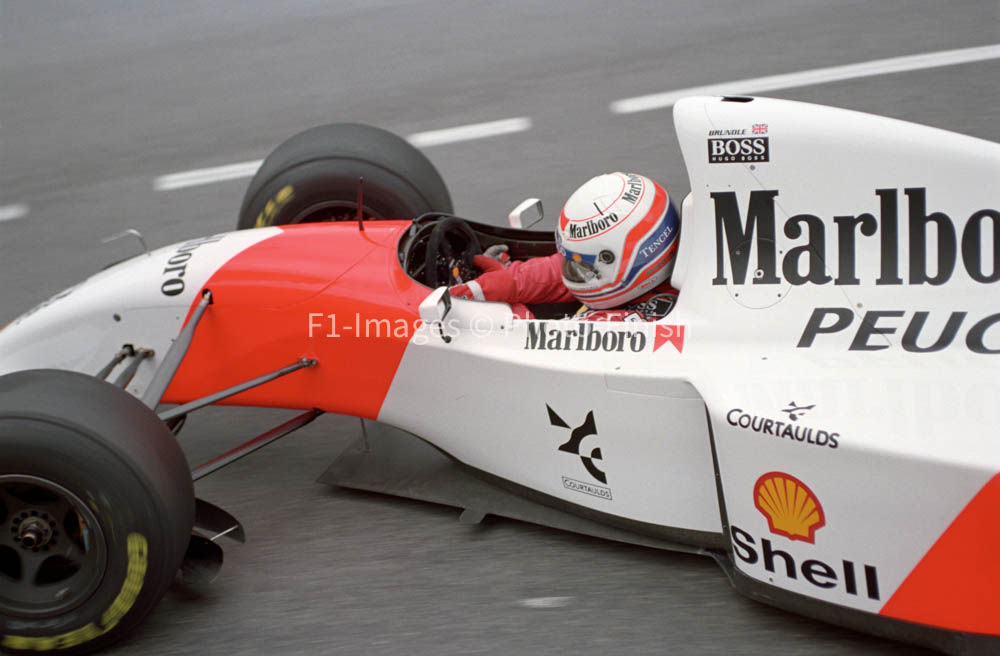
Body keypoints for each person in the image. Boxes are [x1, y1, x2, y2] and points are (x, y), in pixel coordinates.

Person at [450, 172, 680, 321]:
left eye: (580, 265)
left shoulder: (627, 327)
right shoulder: (648, 269)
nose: (568, 267)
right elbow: (558, 271)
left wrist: (495, 313)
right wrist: (511, 280)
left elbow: (535, 347)